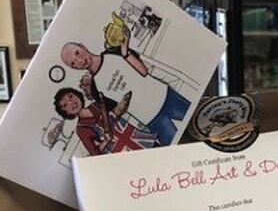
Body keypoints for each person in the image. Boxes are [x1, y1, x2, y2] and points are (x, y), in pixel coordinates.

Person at [60, 26, 189, 146]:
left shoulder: (113, 51)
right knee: (178, 148)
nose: (79, 61)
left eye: (77, 53)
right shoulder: (95, 89)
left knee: (198, 120)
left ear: (82, 46)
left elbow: (144, 72)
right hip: (151, 117)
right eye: (73, 64)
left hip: (165, 96)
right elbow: (114, 113)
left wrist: (126, 53)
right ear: (75, 68)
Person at [53, 87, 131, 156]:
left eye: (71, 96)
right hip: (121, 152)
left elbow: (120, 110)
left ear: (77, 95)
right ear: (66, 113)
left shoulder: (97, 105)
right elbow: (95, 154)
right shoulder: (81, 129)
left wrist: (121, 106)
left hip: (133, 133)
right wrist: (106, 141)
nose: (71, 102)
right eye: (65, 105)